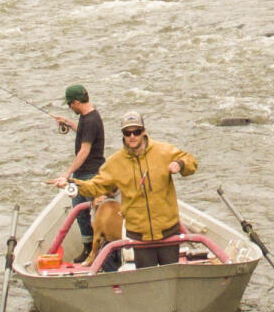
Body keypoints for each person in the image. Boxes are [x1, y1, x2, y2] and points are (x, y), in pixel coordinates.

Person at [69, 113, 197, 272]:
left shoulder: (163, 151)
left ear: (144, 131)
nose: (132, 136)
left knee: (170, 274)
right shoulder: (116, 162)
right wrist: (73, 184)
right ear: (122, 135)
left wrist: (180, 164)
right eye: (127, 132)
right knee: (147, 280)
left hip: (168, 231)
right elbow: (96, 186)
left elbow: (191, 160)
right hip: (139, 235)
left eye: (136, 131)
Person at [47, 86, 108, 259]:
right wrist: (69, 123)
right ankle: (89, 248)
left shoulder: (90, 121)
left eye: (69, 104)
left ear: (76, 102)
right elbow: (84, 133)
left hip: (89, 174)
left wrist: (67, 173)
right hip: (84, 174)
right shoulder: (87, 117)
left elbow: (84, 150)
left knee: (88, 211)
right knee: (80, 212)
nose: (69, 108)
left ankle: (96, 250)